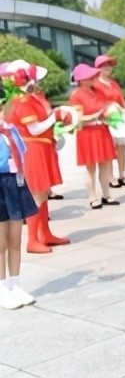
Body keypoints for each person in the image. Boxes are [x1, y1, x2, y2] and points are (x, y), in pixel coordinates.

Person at [2, 60, 72, 254]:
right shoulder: (21, 101)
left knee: (43, 193)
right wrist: (55, 116)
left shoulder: (30, 98)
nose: (36, 81)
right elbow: (34, 129)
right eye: (32, 78)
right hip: (32, 149)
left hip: (41, 147)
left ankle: (45, 234)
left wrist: (56, 119)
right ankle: (33, 240)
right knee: (36, 195)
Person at [0, 100, 39, 309]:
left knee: (15, 239)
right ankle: (1, 289)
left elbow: (22, 153)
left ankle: (14, 285)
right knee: (1, 243)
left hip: (15, 182)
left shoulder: (11, 129)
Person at [68, 63, 120, 209]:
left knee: (105, 164)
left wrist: (111, 114)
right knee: (91, 168)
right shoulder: (76, 95)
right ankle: (92, 197)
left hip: (102, 130)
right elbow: (78, 118)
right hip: (88, 133)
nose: (93, 78)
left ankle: (106, 194)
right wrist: (95, 116)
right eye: (89, 76)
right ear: (81, 79)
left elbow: (106, 106)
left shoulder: (98, 91)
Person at [93, 55, 125, 188]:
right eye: (104, 65)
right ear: (98, 68)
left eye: (109, 65)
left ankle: (122, 174)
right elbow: (95, 103)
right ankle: (110, 177)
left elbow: (122, 101)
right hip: (106, 120)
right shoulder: (95, 84)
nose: (107, 67)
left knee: (121, 147)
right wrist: (109, 107)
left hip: (118, 118)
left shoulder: (114, 83)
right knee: (110, 148)